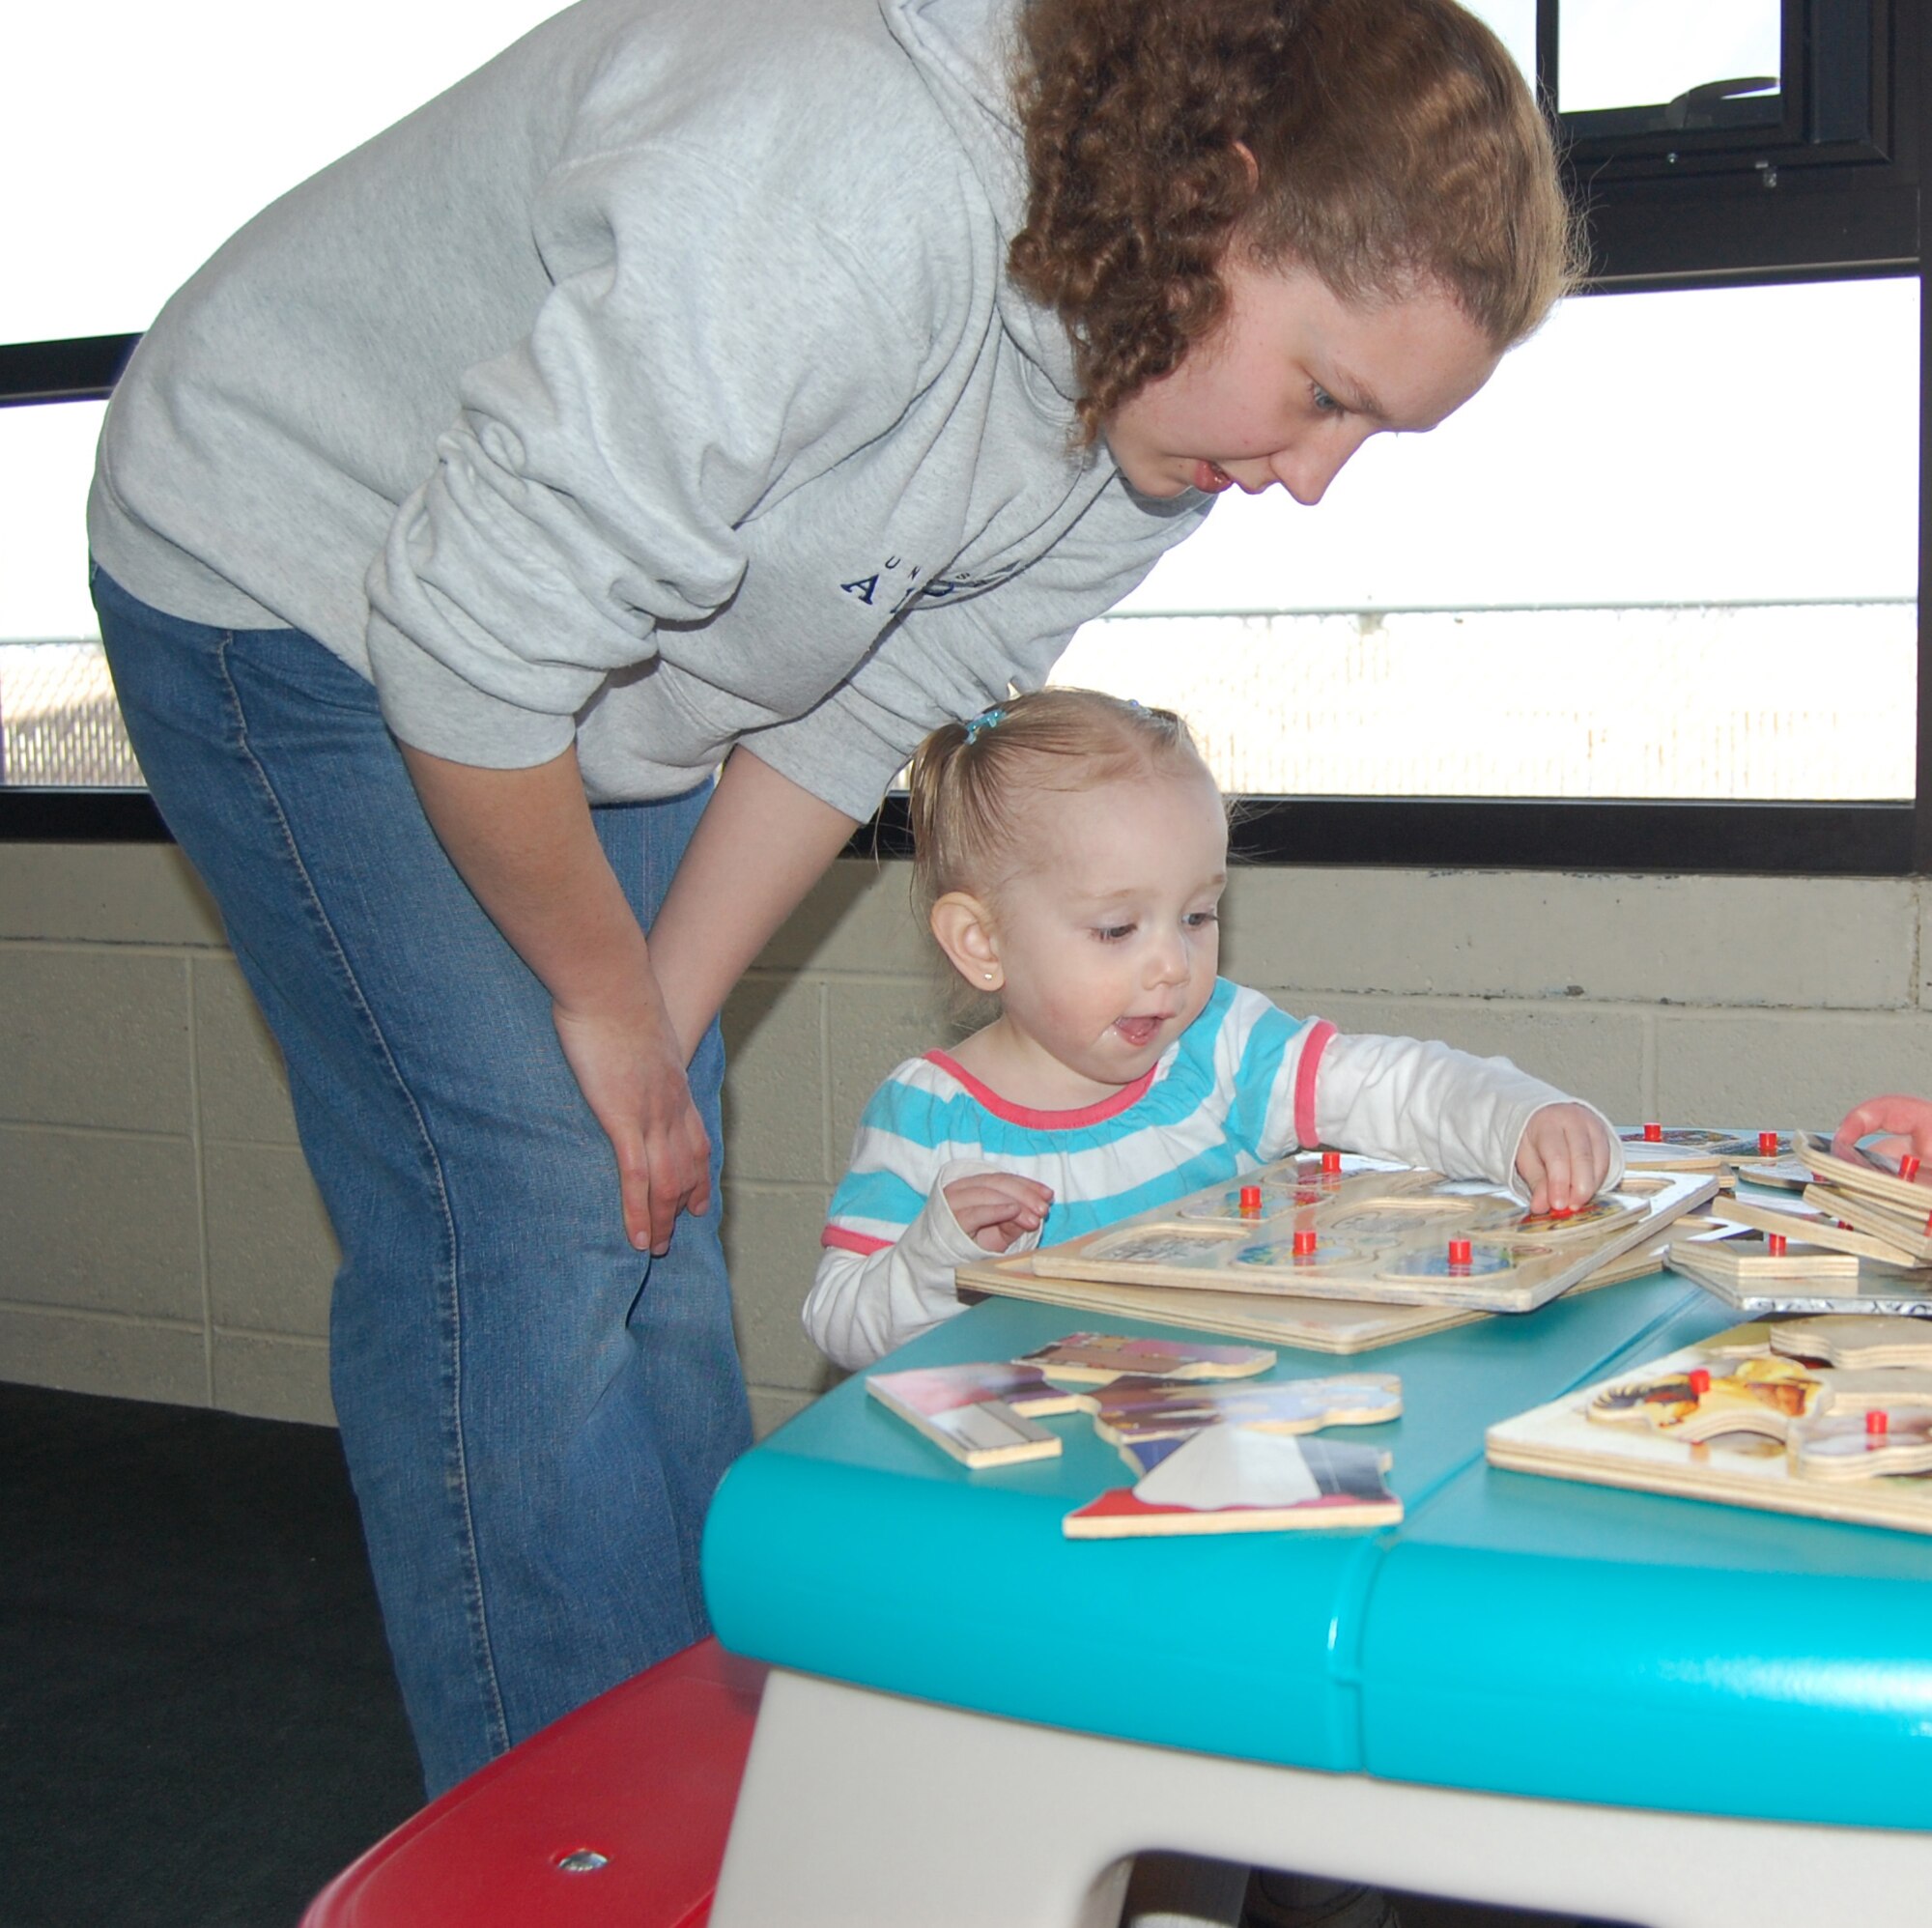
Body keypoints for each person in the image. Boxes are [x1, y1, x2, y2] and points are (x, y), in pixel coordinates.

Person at [85, 0, 1578, 1794]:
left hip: (588, 652)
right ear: (1216, 198)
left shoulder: (1169, 411)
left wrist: (658, 1023)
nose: (1317, 477)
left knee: (648, 1177)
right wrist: (599, 994)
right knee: (532, 1194)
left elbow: (868, 699)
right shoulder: (858, 182)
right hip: (305, 570)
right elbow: (473, 640)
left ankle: (722, 1768)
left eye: (1375, 435)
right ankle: (577, 1847)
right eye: (1326, 390)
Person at [806, 690, 1620, 1370]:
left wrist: (1520, 1118)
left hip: (1219, 1456)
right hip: (1021, 1506)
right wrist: (935, 1257)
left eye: (1197, 915)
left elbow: (1390, 1085)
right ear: (983, 944)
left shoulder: (1221, 1049)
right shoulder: (927, 1119)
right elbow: (841, 1328)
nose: (1172, 965)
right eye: (1117, 929)